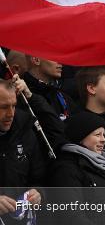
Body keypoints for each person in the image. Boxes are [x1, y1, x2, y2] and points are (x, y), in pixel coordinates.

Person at [49, 112, 105, 224]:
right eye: (97, 135)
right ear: (80, 136)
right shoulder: (66, 169)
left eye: (104, 135)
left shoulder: (103, 167)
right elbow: (72, 216)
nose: (104, 140)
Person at [0, 78, 49, 216]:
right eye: (3, 107)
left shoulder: (25, 130)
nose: (10, 114)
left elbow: (40, 178)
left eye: (14, 105)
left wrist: (38, 193)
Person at [23, 55, 75, 122]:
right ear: (36, 59)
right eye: (53, 56)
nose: (60, 61)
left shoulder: (62, 96)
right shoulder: (22, 95)